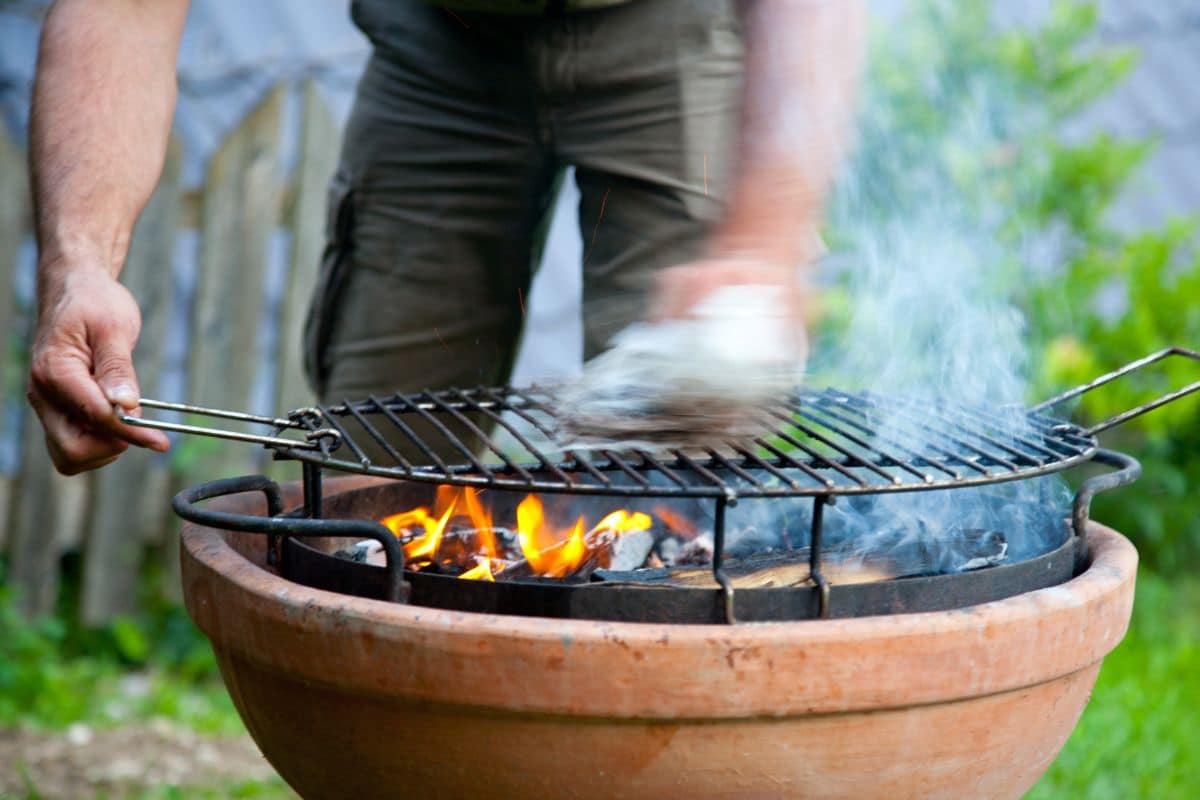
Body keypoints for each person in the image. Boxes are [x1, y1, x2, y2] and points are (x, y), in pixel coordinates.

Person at [26, 0, 863, 475]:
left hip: (674, 23)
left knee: (690, 477)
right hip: (443, 32)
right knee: (371, 463)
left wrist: (760, 245)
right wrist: (81, 270)